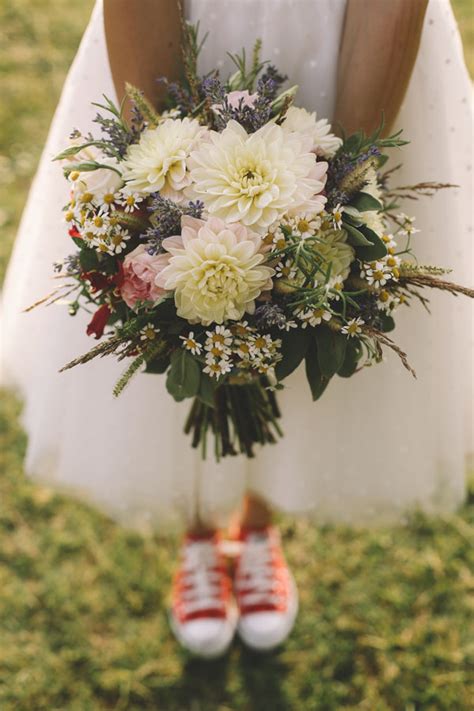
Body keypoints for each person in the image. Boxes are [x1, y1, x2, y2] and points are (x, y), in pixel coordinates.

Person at [1, 0, 472, 658]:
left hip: (341, 40)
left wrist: (339, 193)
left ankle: (256, 525)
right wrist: (159, 178)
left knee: (309, 311)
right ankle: (200, 531)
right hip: (196, 29)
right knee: (178, 297)